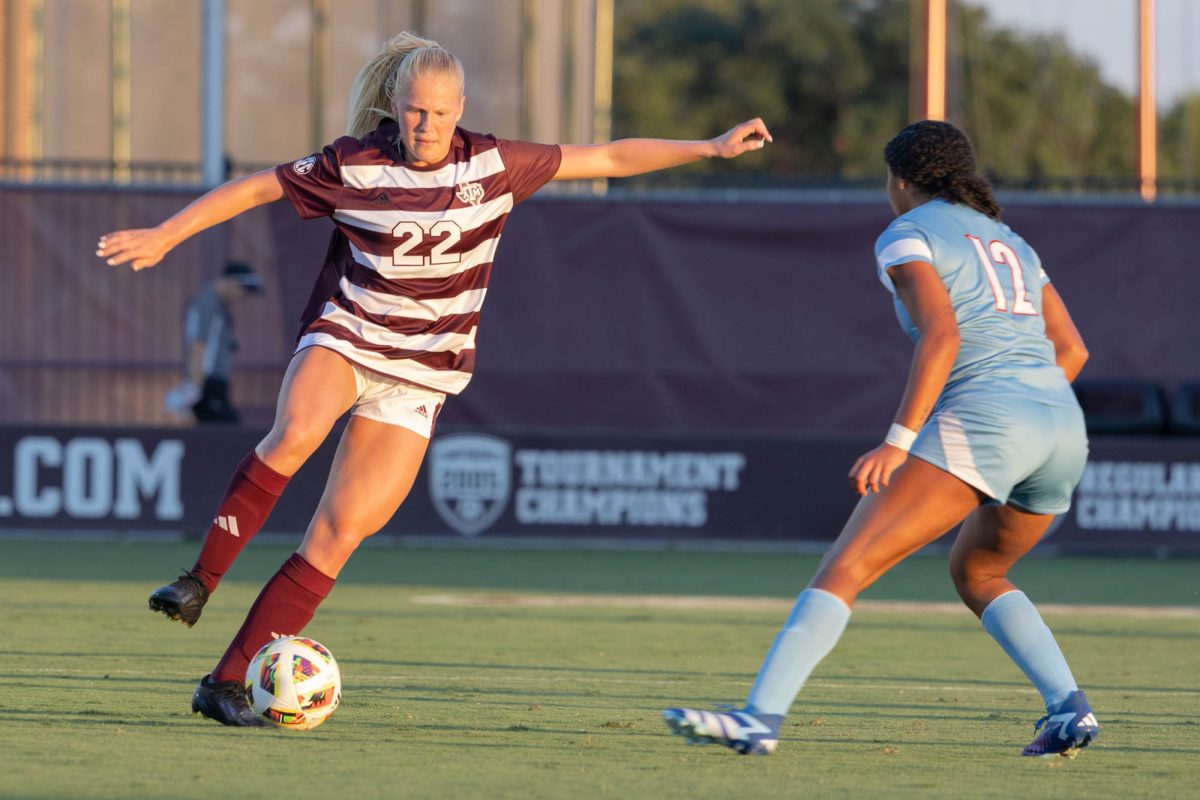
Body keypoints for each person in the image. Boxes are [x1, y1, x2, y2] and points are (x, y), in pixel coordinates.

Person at [96, 31, 772, 727]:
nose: (427, 126)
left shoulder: (493, 164)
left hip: (422, 374)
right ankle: (198, 580)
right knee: (296, 431)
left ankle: (226, 682)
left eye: (441, 113)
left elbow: (606, 156)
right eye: (416, 111)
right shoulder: (352, 163)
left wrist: (709, 148)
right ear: (395, 103)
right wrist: (166, 234)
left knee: (338, 535)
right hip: (350, 335)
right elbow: (254, 188)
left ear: (461, 109)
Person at [663, 120, 1098, 759]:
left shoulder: (907, 232)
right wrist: (1022, 408)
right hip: (1062, 427)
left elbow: (943, 336)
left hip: (989, 419)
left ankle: (760, 718)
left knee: (846, 566)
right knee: (978, 569)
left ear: (899, 179)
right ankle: (1069, 710)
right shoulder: (1012, 241)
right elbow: (1073, 349)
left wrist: (901, 440)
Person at [165, 261, 263, 423]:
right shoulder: (207, 305)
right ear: (230, 282)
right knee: (226, 432)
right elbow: (198, 344)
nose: (241, 296)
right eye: (242, 289)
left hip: (213, 384)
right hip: (207, 383)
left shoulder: (218, 306)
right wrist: (196, 386)